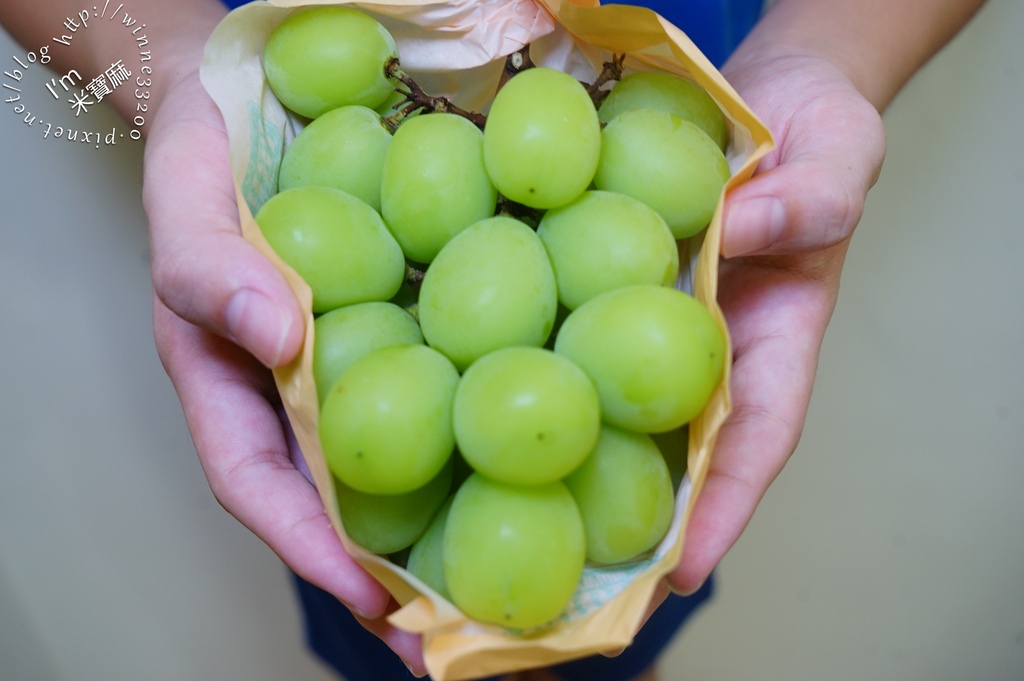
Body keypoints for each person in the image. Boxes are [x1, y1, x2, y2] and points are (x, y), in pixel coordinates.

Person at [0, 0, 987, 679]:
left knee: (626, 602)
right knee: (389, 607)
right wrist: (169, 66)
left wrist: (830, 50)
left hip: (687, 132)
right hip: (339, 283)